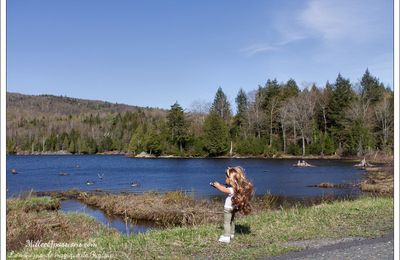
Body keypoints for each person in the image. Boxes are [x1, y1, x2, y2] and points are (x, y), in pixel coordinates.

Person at [210, 166, 254, 243]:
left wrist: (217, 186)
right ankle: (231, 233)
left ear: (231, 179)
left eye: (226, 178)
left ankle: (226, 236)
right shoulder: (237, 188)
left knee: (227, 222)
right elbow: (225, 187)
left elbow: (223, 189)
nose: (225, 179)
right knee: (232, 220)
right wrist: (220, 185)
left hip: (228, 208)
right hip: (233, 208)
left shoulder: (231, 189)